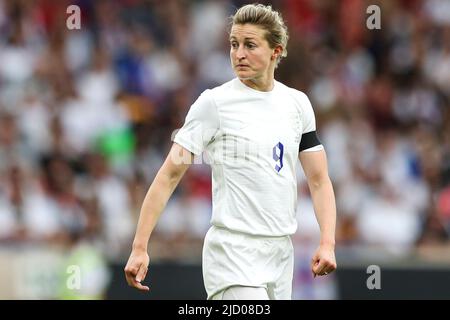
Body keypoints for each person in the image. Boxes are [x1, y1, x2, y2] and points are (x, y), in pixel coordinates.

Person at [124, 3, 337, 300]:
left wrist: (327, 241)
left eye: (250, 45)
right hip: (233, 252)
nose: (238, 54)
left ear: (276, 52)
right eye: (234, 44)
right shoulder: (214, 104)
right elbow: (170, 174)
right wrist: (139, 247)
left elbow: (319, 179)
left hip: (280, 254)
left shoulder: (297, 104)